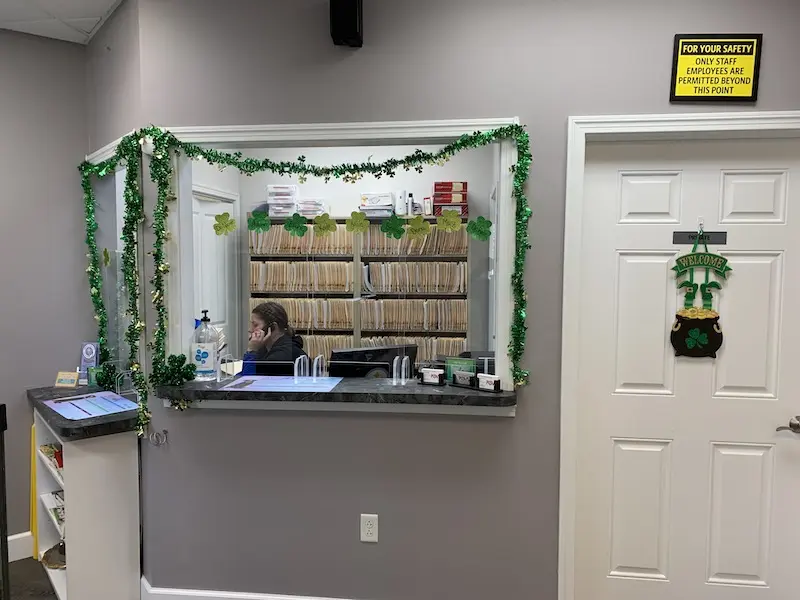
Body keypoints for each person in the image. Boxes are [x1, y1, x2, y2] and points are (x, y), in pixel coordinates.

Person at [241, 302, 308, 375]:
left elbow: (248, 381)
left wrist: (251, 351)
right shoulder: (266, 348)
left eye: (255, 325)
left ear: (273, 327)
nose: (250, 329)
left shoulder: (280, 357)